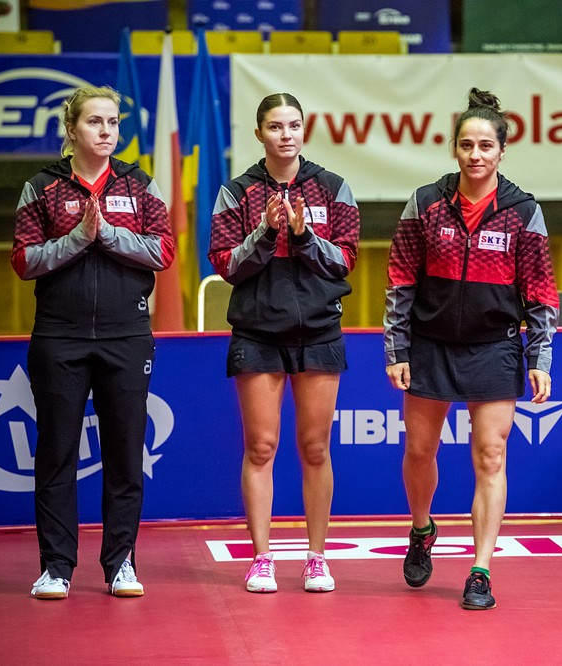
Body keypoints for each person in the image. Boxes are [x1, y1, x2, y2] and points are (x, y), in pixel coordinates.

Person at [384, 88, 559, 610]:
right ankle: (422, 528)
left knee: (491, 454)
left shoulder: (522, 211)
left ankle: (480, 569)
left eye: (486, 146)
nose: (476, 155)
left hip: (494, 347)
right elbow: (400, 279)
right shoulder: (426, 203)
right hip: (430, 344)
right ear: (454, 148)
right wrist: (397, 348)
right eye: (467, 145)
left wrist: (540, 357)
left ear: (502, 151)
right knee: (420, 451)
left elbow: (541, 290)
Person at [11, 85, 174, 599]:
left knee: (125, 455)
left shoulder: (139, 184)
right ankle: (56, 567)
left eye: (113, 122)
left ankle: (121, 563)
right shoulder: (42, 187)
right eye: (94, 122)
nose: (106, 131)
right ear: (71, 129)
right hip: (58, 337)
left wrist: (107, 235)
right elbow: (23, 260)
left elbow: (163, 251)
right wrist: (77, 239)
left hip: (127, 337)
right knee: (55, 453)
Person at [209, 93, 360, 594]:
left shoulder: (333, 188)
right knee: (261, 446)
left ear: (304, 130)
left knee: (315, 448)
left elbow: (345, 260)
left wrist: (302, 235)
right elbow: (226, 265)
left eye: (294, 125)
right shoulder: (237, 192)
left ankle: (317, 557)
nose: (286, 135)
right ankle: (261, 558)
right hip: (257, 331)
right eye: (276, 127)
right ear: (259, 134)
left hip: (318, 330)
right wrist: (264, 230)